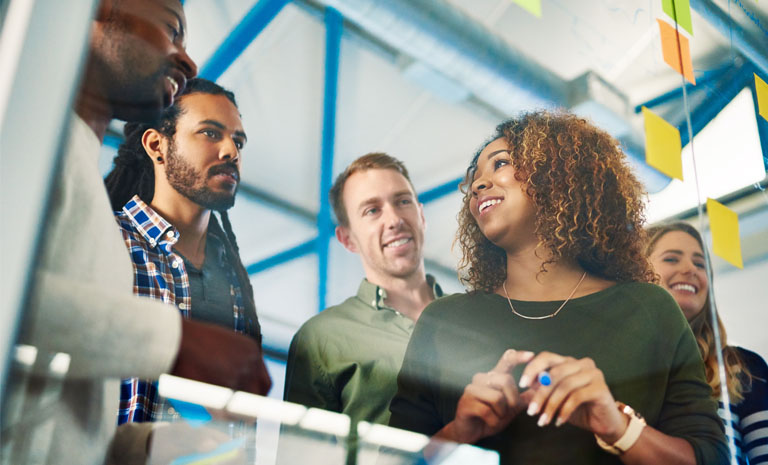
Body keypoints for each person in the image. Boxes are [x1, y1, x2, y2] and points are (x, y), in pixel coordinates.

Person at [0, 2, 270, 464]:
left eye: (238, 141)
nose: (188, 60)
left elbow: (55, 414)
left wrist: (149, 446)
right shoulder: (16, 134)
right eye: (172, 29)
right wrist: (174, 341)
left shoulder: (90, 203)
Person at [389, 110, 728, 464]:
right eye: (474, 178)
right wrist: (458, 433)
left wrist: (618, 427)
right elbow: (386, 458)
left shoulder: (648, 309)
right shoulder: (443, 321)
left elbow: (712, 458)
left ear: (557, 176)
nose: (477, 185)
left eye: (500, 163)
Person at [104, 78, 262, 424]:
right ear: (157, 145)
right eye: (210, 133)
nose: (231, 152)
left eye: (238, 141)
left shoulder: (235, 281)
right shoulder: (107, 241)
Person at [284, 153, 443, 425]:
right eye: (372, 210)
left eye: (403, 201)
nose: (394, 219)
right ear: (347, 239)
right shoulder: (320, 339)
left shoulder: (477, 318)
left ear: (421, 215)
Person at [646, 222, 768, 464]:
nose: (690, 269)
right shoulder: (623, 367)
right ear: (639, 272)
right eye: (672, 259)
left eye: (700, 264)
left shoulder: (745, 367)